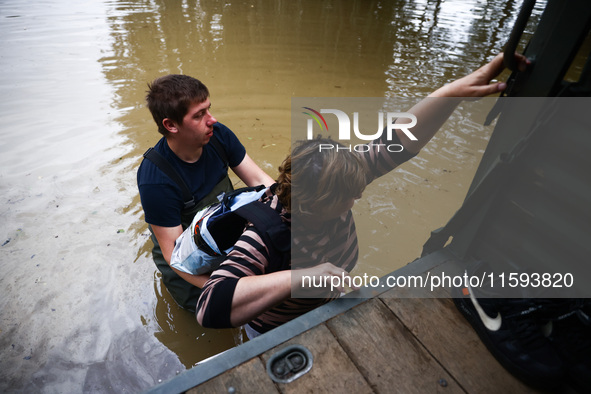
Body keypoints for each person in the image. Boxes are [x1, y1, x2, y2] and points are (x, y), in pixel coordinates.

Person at [195, 53, 531, 338]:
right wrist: (304, 277)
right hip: (275, 331)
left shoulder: (338, 177)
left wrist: (456, 91)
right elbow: (209, 306)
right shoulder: (266, 235)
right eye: (348, 199)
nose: (356, 201)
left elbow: (401, 139)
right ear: (317, 205)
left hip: (324, 307)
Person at [137, 74, 274, 311]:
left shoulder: (218, 135)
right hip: (188, 267)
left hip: (223, 234)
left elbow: (261, 182)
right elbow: (175, 258)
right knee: (214, 317)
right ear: (171, 125)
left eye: (208, 109)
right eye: (199, 115)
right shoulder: (155, 180)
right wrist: (225, 288)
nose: (212, 120)